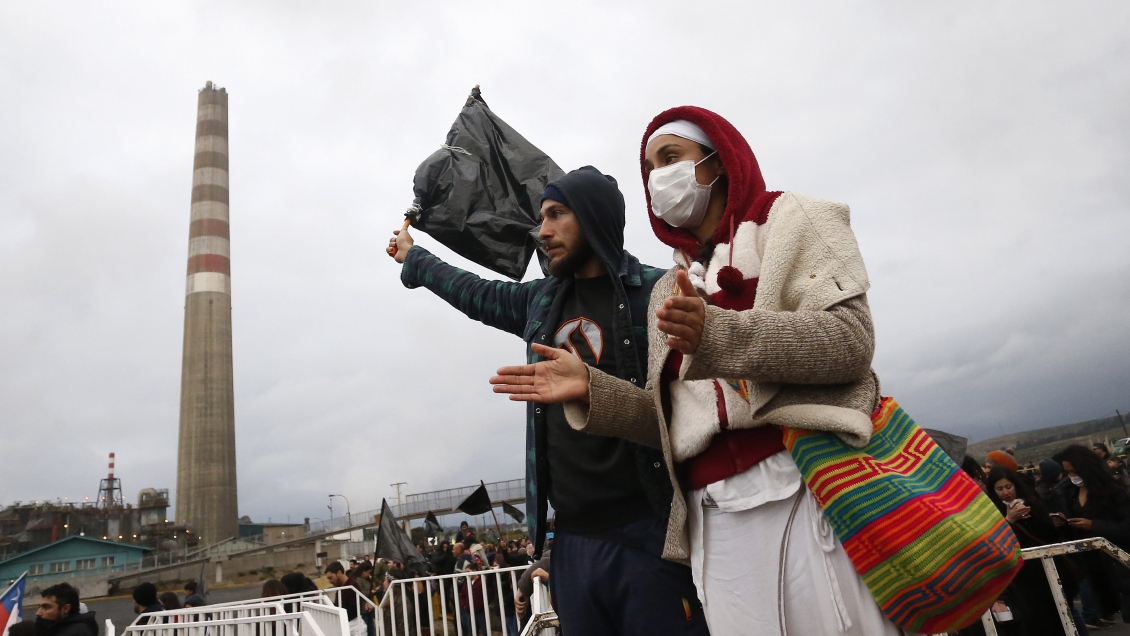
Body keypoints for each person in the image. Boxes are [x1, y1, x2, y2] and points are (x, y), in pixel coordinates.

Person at [491, 109, 905, 635]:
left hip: (806, 483)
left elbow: (849, 344)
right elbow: (671, 426)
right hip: (712, 519)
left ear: (719, 161)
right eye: (648, 169)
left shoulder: (792, 219)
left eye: (670, 158)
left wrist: (718, 336)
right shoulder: (673, 284)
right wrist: (592, 391)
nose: (657, 178)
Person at [390, 166, 707, 636]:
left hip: (650, 536)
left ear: (596, 218)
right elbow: (476, 293)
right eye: (542, 217)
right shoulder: (542, 301)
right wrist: (416, 259)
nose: (543, 231)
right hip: (573, 544)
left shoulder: (658, 293)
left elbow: (687, 412)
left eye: (558, 215)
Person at [986, 467, 1079, 636]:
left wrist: (1040, 518)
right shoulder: (990, 513)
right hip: (1021, 578)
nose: (1005, 492)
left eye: (1008, 487)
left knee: (1062, 618)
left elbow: (1049, 532)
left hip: (1049, 571)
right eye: (999, 489)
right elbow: (995, 542)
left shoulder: (1032, 502)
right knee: (1034, 622)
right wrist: (1010, 521)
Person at [1054, 445, 1130, 627]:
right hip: (1095, 568)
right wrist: (1064, 523)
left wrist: (1093, 525)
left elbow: (1126, 527)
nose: (1071, 476)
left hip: (1120, 562)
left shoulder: (1114, 491)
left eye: (1073, 471)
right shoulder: (1069, 492)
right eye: (1067, 472)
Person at [324, 562, 366, 636]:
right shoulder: (341, 587)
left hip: (355, 628)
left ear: (339, 572)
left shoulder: (352, 586)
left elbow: (354, 610)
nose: (330, 581)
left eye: (331, 578)